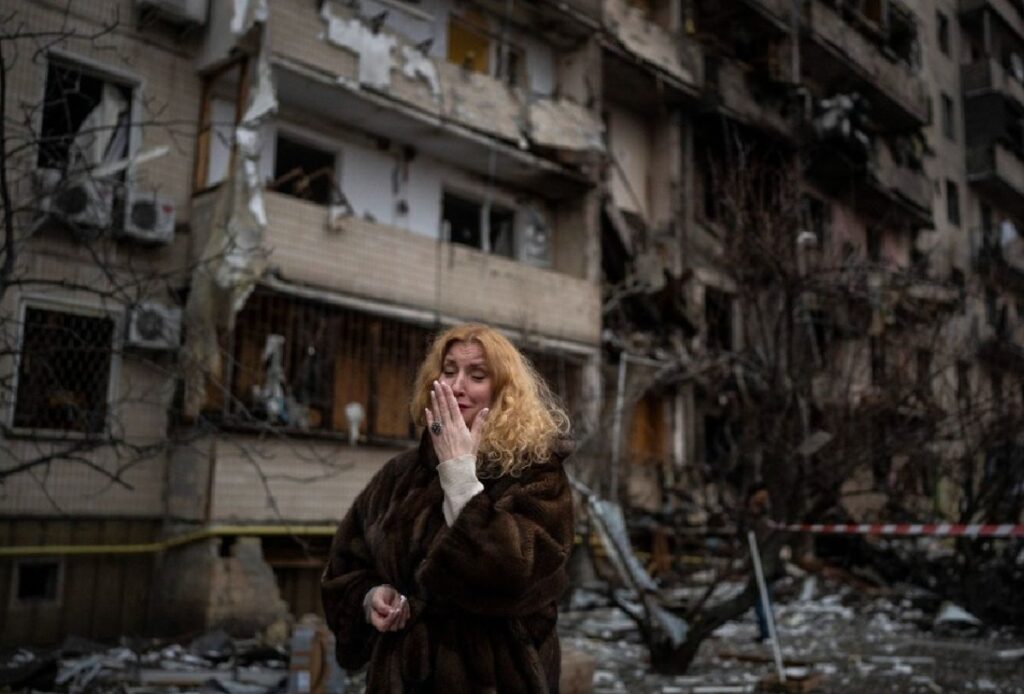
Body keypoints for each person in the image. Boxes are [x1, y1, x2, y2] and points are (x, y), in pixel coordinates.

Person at [321, 323, 575, 692]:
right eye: (449, 370)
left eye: (477, 375)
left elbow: (519, 574)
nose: (457, 386)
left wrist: (460, 477)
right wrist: (370, 596)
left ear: (504, 392)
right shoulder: (400, 475)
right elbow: (345, 565)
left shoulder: (535, 473)